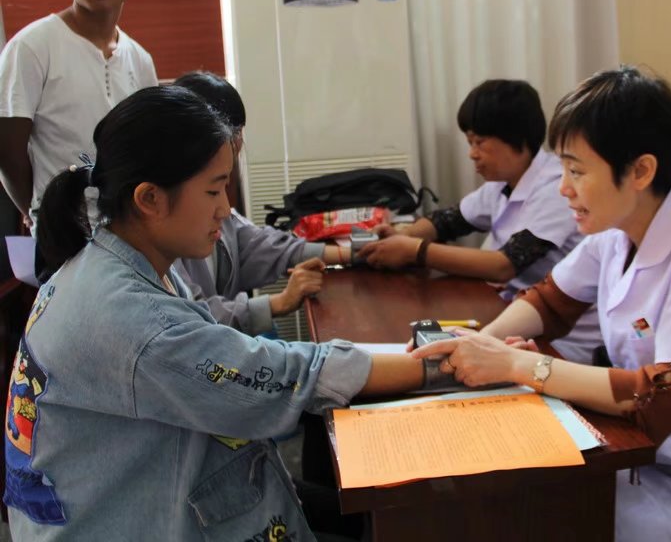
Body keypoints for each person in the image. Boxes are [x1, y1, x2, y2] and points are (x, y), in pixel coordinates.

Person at [3, 86, 449, 541]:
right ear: (150, 199)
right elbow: (279, 373)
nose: (224, 208)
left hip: (151, 489)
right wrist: (440, 362)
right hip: (127, 519)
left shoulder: (116, 261)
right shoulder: (134, 318)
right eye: (214, 190)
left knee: (356, 505)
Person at [413, 67, 671, 541]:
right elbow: (549, 302)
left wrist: (517, 365)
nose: (563, 188)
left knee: (527, 517)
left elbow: (659, 396)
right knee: (507, 500)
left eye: (577, 171)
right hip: (642, 456)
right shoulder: (619, 227)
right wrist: (478, 343)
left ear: (640, 171)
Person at [358, 79, 601, 363]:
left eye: (479, 142)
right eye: (469, 142)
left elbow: (505, 265)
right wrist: (405, 234)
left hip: (563, 342)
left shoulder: (554, 189)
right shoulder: (501, 184)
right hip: (516, 315)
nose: (472, 153)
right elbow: (448, 221)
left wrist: (416, 251)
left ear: (516, 137)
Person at [0, 0, 157, 234]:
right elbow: (8, 151)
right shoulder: (31, 47)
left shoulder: (140, 59)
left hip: (130, 229)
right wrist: (39, 212)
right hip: (63, 233)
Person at [172, 71, 345, 335]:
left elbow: (262, 245)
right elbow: (194, 319)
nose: (225, 210)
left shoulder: (216, 219)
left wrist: (349, 253)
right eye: (213, 190)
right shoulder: (160, 247)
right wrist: (280, 302)